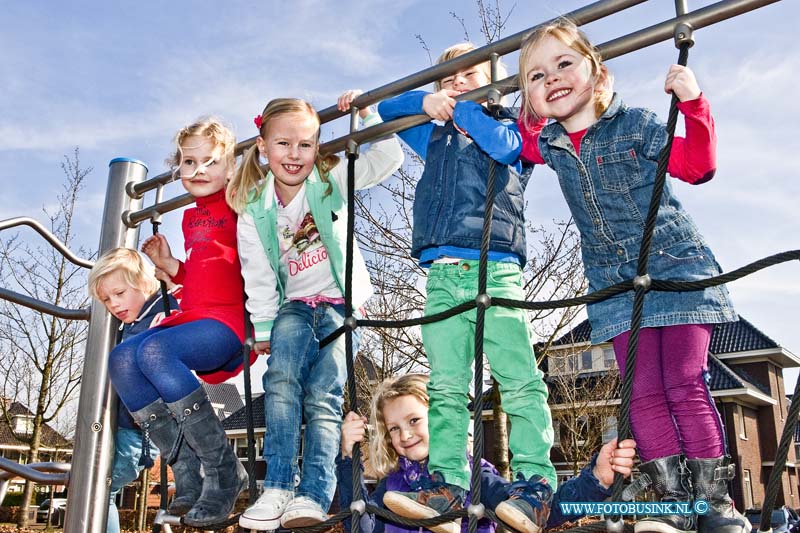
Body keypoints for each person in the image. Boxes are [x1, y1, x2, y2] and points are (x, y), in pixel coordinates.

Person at [516, 19, 744, 533]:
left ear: (597, 74)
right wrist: (465, 103)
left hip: (675, 267)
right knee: (640, 391)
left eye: (564, 64)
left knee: (683, 382)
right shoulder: (549, 145)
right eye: (535, 75)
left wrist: (693, 103)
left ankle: (714, 502)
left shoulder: (637, 124)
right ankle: (672, 501)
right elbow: (511, 137)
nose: (551, 78)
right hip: (615, 288)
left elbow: (697, 165)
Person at [376, 43, 556, 533]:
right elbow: (385, 108)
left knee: (518, 377)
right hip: (442, 275)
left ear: (494, 81)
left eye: (469, 73)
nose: (457, 82)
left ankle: (537, 481)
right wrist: (424, 102)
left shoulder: (512, 125)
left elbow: (504, 149)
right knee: (447, 385)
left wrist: (468, 106)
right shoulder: (433, 138)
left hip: (495, 269)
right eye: (448, 77)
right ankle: (448, 485)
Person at [229, 92, 403, 531]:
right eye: (283, 144)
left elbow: (388, 159)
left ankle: (313, 494)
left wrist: (367, 113)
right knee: (282, 382)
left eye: (305, 144)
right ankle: (278, 486)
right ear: (263, 147)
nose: (294, 154)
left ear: (317, 148)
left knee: (324, 394)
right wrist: (264, 326)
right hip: (293, 308)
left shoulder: (329, 180)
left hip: (341, 307)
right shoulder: (254, 208)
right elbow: (258, 273)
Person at [107, 118, 250, 528]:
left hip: (231, 322)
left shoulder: (242, 204)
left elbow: (250, 267)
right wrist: (171, 266)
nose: (199, 170)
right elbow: (206, 276)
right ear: (178, 168)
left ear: (231, 168)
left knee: (153, 348)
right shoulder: (190, 218)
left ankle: (223, 470)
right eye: (190, 161)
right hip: (196, 315)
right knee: (122, 358)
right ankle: (187, 471)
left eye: (211, 161)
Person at [337, 374, 638, 533]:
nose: (404, 434)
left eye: (414, 420)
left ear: (443, 419)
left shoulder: (474, 477)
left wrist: (595, 479)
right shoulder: (393, 487)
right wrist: (348, 460)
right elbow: (361, 525)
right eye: (393, 428)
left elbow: (543, 512)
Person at [89, 247, 179, 533]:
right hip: (121, 427)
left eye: (119, 293)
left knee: (99, 491)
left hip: (139, 434)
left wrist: (170, 286)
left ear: (143, 284)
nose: (113, 304)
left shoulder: (158, 312)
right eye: (106, 299)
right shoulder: (130, 322)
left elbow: (179, 305)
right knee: (99, 489)